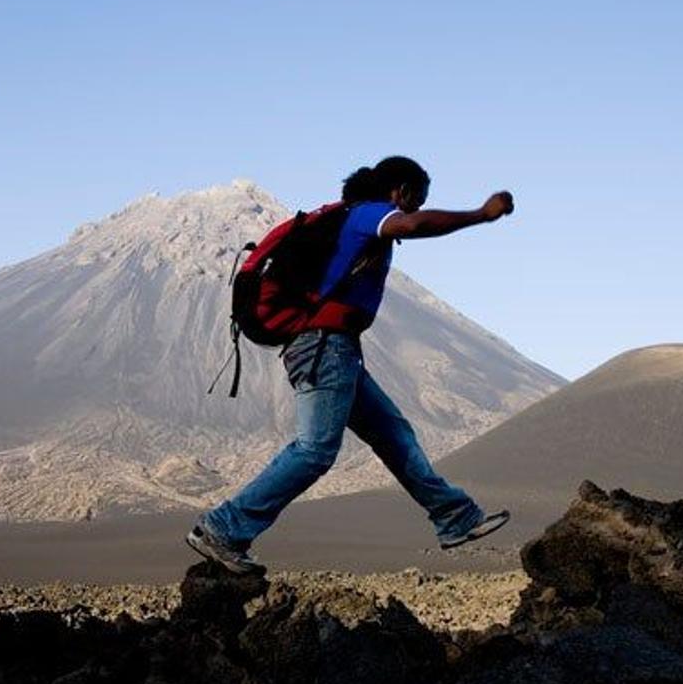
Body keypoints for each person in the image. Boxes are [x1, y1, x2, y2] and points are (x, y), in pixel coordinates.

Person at [187, 156, 515, 575]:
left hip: (335, 349)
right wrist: (481, 215)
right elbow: (411, 226)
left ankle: (454, 518)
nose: (411, 211)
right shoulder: (365, 214)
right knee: (315, 450)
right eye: (414, 201)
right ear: (400, 191)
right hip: (325, 347)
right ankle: (222, 529)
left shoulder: (344, 218)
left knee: (393, 434)